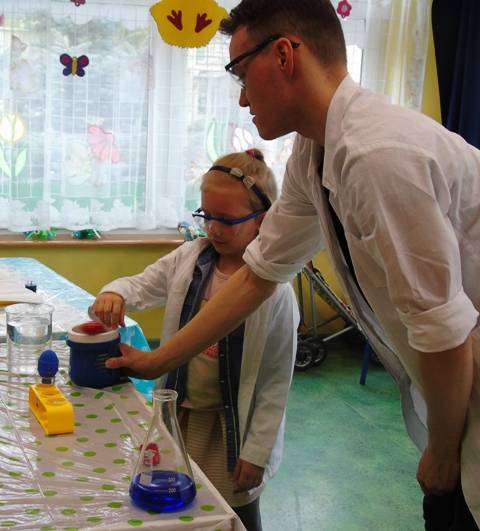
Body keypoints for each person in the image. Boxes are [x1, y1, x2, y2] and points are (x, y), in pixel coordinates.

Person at [96, 1, 480, 529]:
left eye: (240, 74)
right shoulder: (315, 149)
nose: (241, 97)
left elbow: (444, 333)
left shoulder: (376, 155)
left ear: (283, 55)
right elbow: (259, 273)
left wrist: (442, 448)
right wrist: (157, 362)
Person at [92, 149, 299, 531]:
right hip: (179, 417)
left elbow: (275, 381)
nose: (214, 229)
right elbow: (142, 284)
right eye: (206, 215)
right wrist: (115, 292)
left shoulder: (276, 293)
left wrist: (257, 452)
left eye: (227, 220)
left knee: (233, 511)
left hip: (230, 430)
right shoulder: (188, 258)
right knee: (177, 507)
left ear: (262, 220)